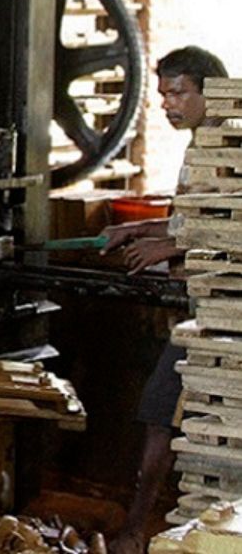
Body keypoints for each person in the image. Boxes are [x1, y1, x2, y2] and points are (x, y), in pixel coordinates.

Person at [100, 46, 228, 554]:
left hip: (225, 316)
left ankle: (138, 530)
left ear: (210, 92)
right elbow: (191, 220)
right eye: (164, 95)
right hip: (199, 312)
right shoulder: (200, 145)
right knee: (159, 413)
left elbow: (227, 230)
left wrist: (173, 244)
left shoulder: (231, 146)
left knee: (162, 413)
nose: (169, 104)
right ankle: (140, 528)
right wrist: (140, 228)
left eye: (180, 92)